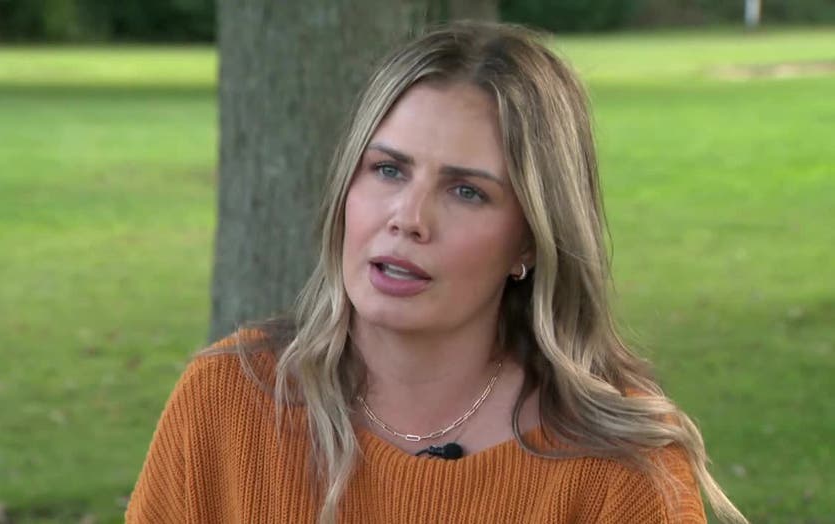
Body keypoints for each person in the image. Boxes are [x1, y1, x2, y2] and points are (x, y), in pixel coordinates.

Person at [126, 21, 746, 523]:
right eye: (388, 170)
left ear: (531, 241)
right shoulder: (225, 402)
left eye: (467, 191)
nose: (409, 218)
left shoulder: (620, 470)